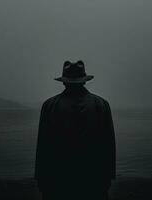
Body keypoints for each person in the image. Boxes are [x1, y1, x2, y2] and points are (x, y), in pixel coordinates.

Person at [35, 60, 116, 200]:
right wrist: (108, 177)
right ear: (84, 81)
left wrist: (41, 179)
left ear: (64, 81)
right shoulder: (101, 105)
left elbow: (43, 146)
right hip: (94, 179)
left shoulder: (49, 106)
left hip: (58, 179)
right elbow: (108, 145)